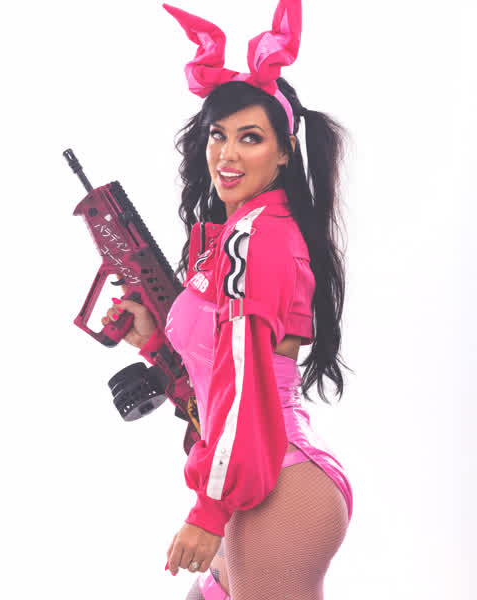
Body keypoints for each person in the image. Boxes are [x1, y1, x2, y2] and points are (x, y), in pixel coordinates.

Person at [102, 1, 353, 598]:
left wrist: (209, 511)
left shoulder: (257, 237)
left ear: (284, 152)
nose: (227, 154)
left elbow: (246, 382)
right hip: (259, 477)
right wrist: (156, 341)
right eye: (219, 135)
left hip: (277, 484)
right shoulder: (236, 237)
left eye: (250, 138)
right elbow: (221, 367)